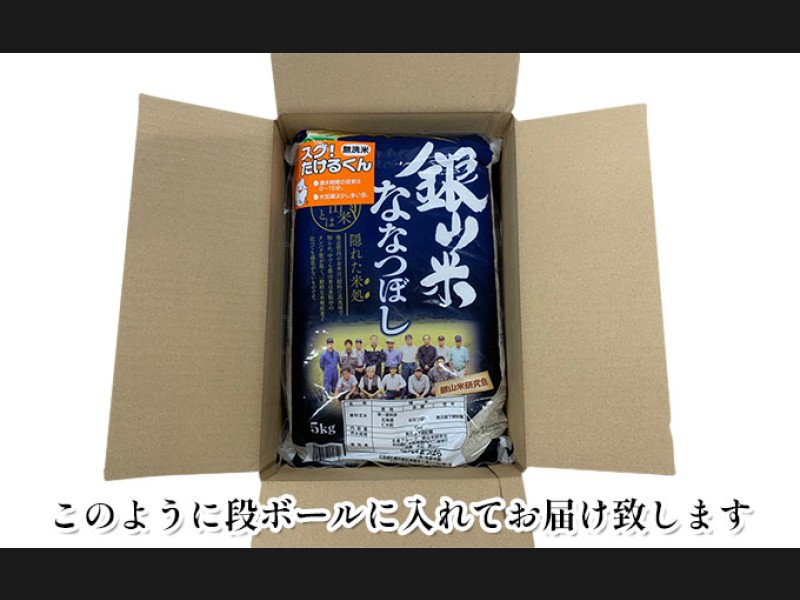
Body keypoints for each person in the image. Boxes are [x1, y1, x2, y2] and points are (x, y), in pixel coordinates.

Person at [399, 333, 418, 398]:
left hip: (413, 365)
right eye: (407, 339)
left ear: (412, 340)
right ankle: (404, 393)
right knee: (404, 380)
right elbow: (400, 357)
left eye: (410, 339)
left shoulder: (415, 348)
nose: (409, 341)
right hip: (405, 365)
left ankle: (411, 393)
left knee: (412, 380)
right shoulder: (402, 348)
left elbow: (417, 358)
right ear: (405, 340)